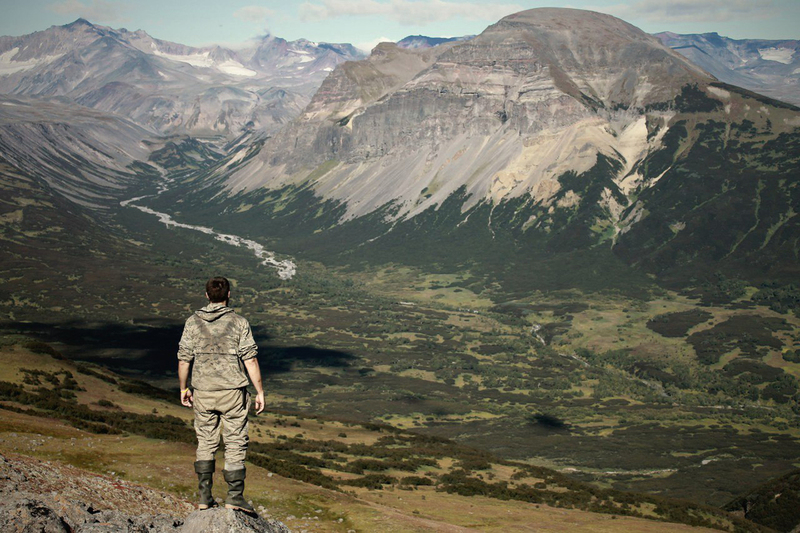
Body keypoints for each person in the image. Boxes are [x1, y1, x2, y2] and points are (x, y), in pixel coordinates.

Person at [177, 276, 265, 514]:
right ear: (228, 295)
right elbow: (250, 359)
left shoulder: (192, 322)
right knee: (235, 442)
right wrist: (259, 391)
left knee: (205, 441)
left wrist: (184, 388)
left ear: (207, 296)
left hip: (203, 392)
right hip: (233, 393)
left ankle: (205, 497)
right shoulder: (239, 323)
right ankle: (234, 496)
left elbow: (184, 358)